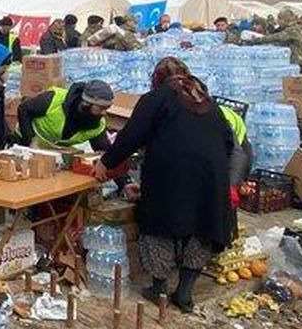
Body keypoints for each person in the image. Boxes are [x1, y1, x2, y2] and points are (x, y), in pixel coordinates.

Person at [95, 57, 233, 313]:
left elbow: (132, 135)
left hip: (170, 171)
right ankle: (184, 293)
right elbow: (228, 141)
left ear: (157, 79)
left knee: (160, 223)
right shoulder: (206, 100)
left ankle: (158, 287)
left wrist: (106, 162)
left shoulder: (157, 97)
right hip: (211, 174)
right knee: (200, 226)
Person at [17, 79, 115, 150]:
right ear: (85, 103)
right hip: (24, 143)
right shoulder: (53, 99)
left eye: (106, 108)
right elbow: (24, 109)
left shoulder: (97, 125)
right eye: (101, 108)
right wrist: (30, 141)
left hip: (53, 154)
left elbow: (101, 150)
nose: (104, 113)